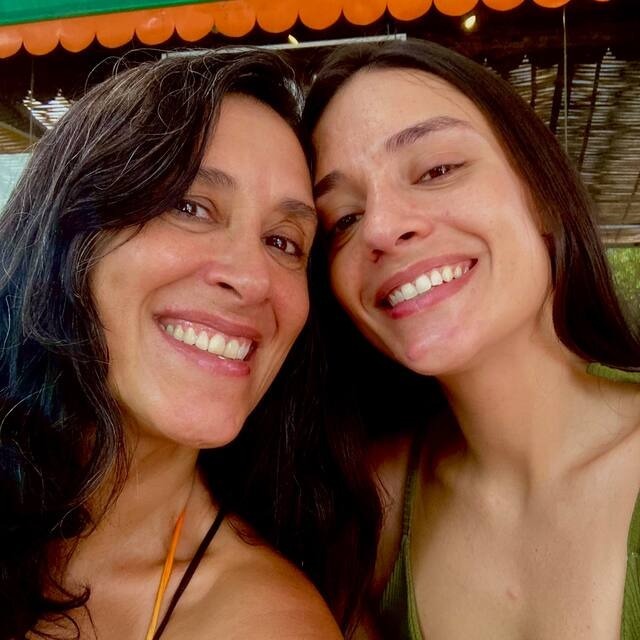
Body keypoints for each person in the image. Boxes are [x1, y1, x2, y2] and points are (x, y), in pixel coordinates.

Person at [0, 50, 377, 640]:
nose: (251, 279)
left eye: (284, 242)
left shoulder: (267, 621)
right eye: (191, 207)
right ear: (67, 230)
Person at [303, 39, 640, 639]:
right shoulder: (374, 507)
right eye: (344, 219)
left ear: (541, 193)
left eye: (437, 170)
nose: (380, 228)